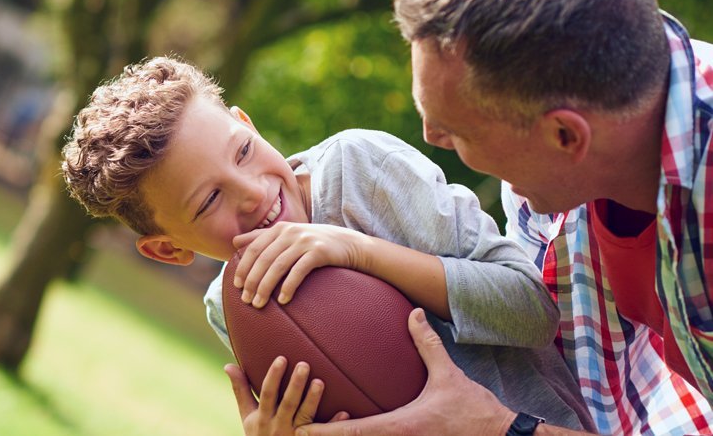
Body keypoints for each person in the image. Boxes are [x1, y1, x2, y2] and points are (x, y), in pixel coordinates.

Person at [61, 56, 595, 435]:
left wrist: (358, 251)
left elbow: (533, 311)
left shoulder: (360, 171)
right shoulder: (237, 306)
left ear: (245, 122)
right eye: (208, 202)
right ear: (168, 250)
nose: (252, 193)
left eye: (243, 151)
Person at [280, 0, 713, 435]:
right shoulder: (553, 183)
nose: (430, 136)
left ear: (565, 136)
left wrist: (504, 428)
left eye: (457, 131)